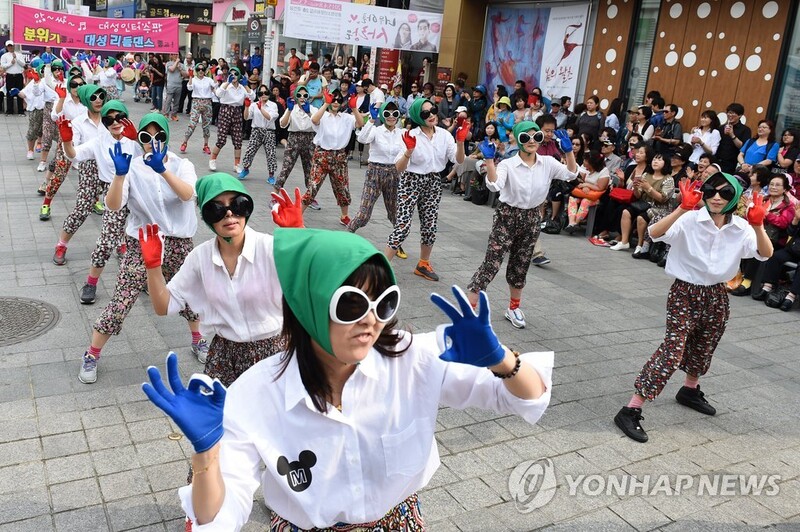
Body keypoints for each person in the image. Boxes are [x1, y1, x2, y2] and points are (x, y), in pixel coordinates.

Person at [141, 228, 553, 530]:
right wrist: (206, 453)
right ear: (308, 306)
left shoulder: (414, 358)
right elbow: (217, 516)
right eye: (351, 304)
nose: (371, 320)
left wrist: (501, 359)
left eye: (384, 302)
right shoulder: (254, 395)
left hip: (399, 523)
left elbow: (527, 398)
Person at [614, 172, 772, 443]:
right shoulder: (690, 218)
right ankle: (631, 408)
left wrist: (759, 226)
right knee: (673, 351)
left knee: (705, 344)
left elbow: (765, 254)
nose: (717, 197)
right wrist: (682, 208)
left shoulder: (742, 227)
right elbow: (654, 233)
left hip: (717, 295)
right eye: (711, 190)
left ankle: (689, 389)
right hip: (684, 292)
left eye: (724, 192)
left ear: (735, 197)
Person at [77, 113, 205, 383]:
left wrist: (162, 170)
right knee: (123, 297)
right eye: (146, 137)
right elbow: (113, 205)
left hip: (179, 242)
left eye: (160, 136)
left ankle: (198, 339)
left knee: (191, 294)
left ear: (167, 136)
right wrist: (120, 176)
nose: (153, 142)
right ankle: (92, 354)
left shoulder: (183, 164)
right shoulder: (132, 167)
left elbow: (187, 194)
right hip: (142, 241)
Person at [466, 122, 577, 328]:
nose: (532, 141)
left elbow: (571, 174)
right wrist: (490, 160)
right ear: (518, 140)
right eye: (526, 137)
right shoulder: (508, 164)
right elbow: (494, 185)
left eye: (537, 136)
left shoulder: (548, 163)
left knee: (521, 264)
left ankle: (514, 308)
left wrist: (569, 153)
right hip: (507, 216)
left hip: (533, 217)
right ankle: (469, 309)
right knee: (492, 262)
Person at [58, 95, 141, 307]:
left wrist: (137, 140)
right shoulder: (98, 142)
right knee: (106, 241)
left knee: (144, 238)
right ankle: (91, 283)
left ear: (127, 119)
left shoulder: (134, 138)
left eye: (119, 117)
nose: (114, 122)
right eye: (108, 119)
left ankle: (148, 280)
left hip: (139, 192)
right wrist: (67, 141)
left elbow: (155, 159)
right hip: (113, 191)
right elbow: (74, 155)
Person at [384, 97, 467, 281]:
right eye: (425, 113)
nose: (431, 115)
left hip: (433, 181)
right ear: (417, 116)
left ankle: (423, 264)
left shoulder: (444, 135)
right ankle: (381, 267)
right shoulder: (410, 135)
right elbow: (398, 168)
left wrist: (460, 143)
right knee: (403, 226)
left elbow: (459, 160)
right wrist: (408, 152)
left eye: (433, 110)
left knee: (430, 225)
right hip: (410, 181)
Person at [348, 101, 405, 261]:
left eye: (395, 113)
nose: (391, 117)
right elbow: (363, 139)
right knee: (364, 214)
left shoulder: (402, 133)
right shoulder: (376, 130)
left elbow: (405, 152)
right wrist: (371, 120)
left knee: (394, 213)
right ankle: (346, 235)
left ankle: (396, 243)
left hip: (394, 173)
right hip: (375, 172)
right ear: (382, 115)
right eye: (387, 113)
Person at [302, 89, 356, 225]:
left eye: (339, 100)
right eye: (333, 99)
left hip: (340, 156)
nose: (336, 102)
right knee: (313, 186)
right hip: (322, 155)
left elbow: (360, 123)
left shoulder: (347, 118)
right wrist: (326, 104)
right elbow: (314, 120)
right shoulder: (323, 115)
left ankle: (344, 216)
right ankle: (297, 214)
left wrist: (354, 108)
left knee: (342, 187)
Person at [274, 85, 318, 208]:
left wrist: (308, 112)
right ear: (295, 97)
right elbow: (282, 124)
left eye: (305, 95)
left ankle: (310, 198)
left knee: (310, 169)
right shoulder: (291, 109)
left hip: (309, 138)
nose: (302, 98)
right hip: (294, 137)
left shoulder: (313, 108)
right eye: (299, 95)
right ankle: (275, 195)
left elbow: (317, 122)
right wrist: (288, 110)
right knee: (286, 167)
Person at [209, 67, 253, 173]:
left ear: (239, 75)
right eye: (231, 73)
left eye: (236, 73)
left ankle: (237, 164)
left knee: (238, 140)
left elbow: (252, 96)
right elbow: (218, 93)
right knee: (221, 139)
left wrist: (246, 85)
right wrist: (226, 83)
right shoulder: (226, 86)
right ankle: (212, 159)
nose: (233, 76)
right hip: (225, 110)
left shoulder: (242, 87)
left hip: (237, 111)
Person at [238, 84, 279, 183]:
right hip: (256, 130)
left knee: (271, 154)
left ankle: (271, 175)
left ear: (269, 94)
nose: (263, 95)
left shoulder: (273, 105)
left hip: (269, 131)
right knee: (250, 151)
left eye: (266, 93)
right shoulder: (254, 105)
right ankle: (246, 169)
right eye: (261, 93)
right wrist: (247, 107)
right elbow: (246, 117)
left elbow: (270, 117)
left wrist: (261, 108)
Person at [182, 63, 216, 155]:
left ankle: (206, 145)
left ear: (205, 71)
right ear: (196, 71)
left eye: (202, 69)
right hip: (196, 102)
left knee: (206, 125)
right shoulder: (193, 79)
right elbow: (189, 88)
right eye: (198, 69)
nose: (201, 71)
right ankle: (185, 142)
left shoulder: (208, 80)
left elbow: (215, 85)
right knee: (192, 124)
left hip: (207, 103)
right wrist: (190, 76)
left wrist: (213, 74)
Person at [716, 103, 751, 174]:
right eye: (729, 113)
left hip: (732, 163)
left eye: (733, 113)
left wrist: (732, 135)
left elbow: (743, 147)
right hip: (717, 161)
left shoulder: (745, 130)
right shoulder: (721, 128)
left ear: (740, 115)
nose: (730, 115)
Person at [2, 41, 27, 115]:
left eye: (11, 46)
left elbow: (23, 64)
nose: (10, 47)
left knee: (19, 93)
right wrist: (10, 63)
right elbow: (3, 66)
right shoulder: (4, 56)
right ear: (6, 47)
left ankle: (21, 111)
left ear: (13, 46)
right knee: (9, 93)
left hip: (18, 76)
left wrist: (17, 59)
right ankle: (9, 111)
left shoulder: (19, 55)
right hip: (9, 76)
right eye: (9, 46)